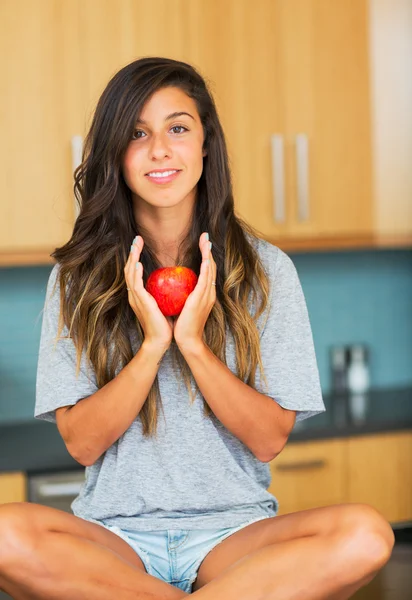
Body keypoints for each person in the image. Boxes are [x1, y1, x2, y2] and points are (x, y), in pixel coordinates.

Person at [0, 57, 394, 600]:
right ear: (117, 153)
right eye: (138, 133)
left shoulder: (265, 270)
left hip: (236, 536)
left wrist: (192, 344)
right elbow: (83, 444)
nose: (160, 149)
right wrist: (152, 347)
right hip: (116, 539)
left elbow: (269, 438)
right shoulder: (77, 278)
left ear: (206, 144)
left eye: (178, 128)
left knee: (367, 534)